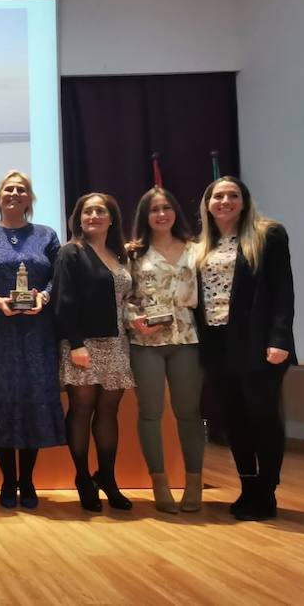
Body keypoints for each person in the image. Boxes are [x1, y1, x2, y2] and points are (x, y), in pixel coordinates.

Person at [196, 176, 296, 521]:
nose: (225, 201)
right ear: (208, 204)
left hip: (259, 344)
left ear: (244, 200)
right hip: (218, 344)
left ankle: (267, 491)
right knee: (233, 420)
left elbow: (283, 291)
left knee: (263, 418)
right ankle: (247, 486)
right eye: (218, 196)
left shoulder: (267, 235)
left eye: (233, 195)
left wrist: (279, 338)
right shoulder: (202, 246)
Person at [0, 171, 63, 510]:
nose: (14, 193)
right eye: (8, 189)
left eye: (21, 189)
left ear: (29, 198)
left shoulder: (46, 235)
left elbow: (59, 278)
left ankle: (28, 480)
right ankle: (8, 479)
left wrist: (44, 298)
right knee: (2, 402)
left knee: (32, 401)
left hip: (37, 333)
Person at [125, 187, 205, 513]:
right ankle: (159, 483)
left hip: (187, 339)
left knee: (188, 413)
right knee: (150, 412)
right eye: (154, 209)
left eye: (167, 208)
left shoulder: (197, 250)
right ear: (145, 216)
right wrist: (135, 320)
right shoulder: (132, 253)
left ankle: (195, 483)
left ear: (175, 212)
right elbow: (124, 298)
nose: (161, 214)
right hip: (146, 343)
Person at [54, 192, 136, 512]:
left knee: (108, 413)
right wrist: (75, 344)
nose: (93, 216)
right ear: (78, 218)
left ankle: (108, 477)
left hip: (117, 343)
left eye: (100, 211)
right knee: (81, 411)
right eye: (87, 211)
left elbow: (124, 299)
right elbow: (63, 302)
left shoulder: (120, 256)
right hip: (82, 344)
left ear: (111, 218)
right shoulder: (70, 253)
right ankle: (82, 478)